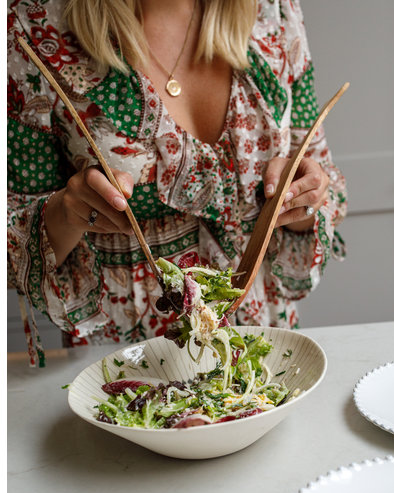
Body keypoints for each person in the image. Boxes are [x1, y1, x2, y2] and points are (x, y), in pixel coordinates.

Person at [7, 0, 347, 366]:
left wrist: (301, 198)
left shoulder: (274, 10)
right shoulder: (32, 24)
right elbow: (13, 240)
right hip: (126, 367)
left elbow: (322, 187)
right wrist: (66, 212)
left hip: (261, 358)